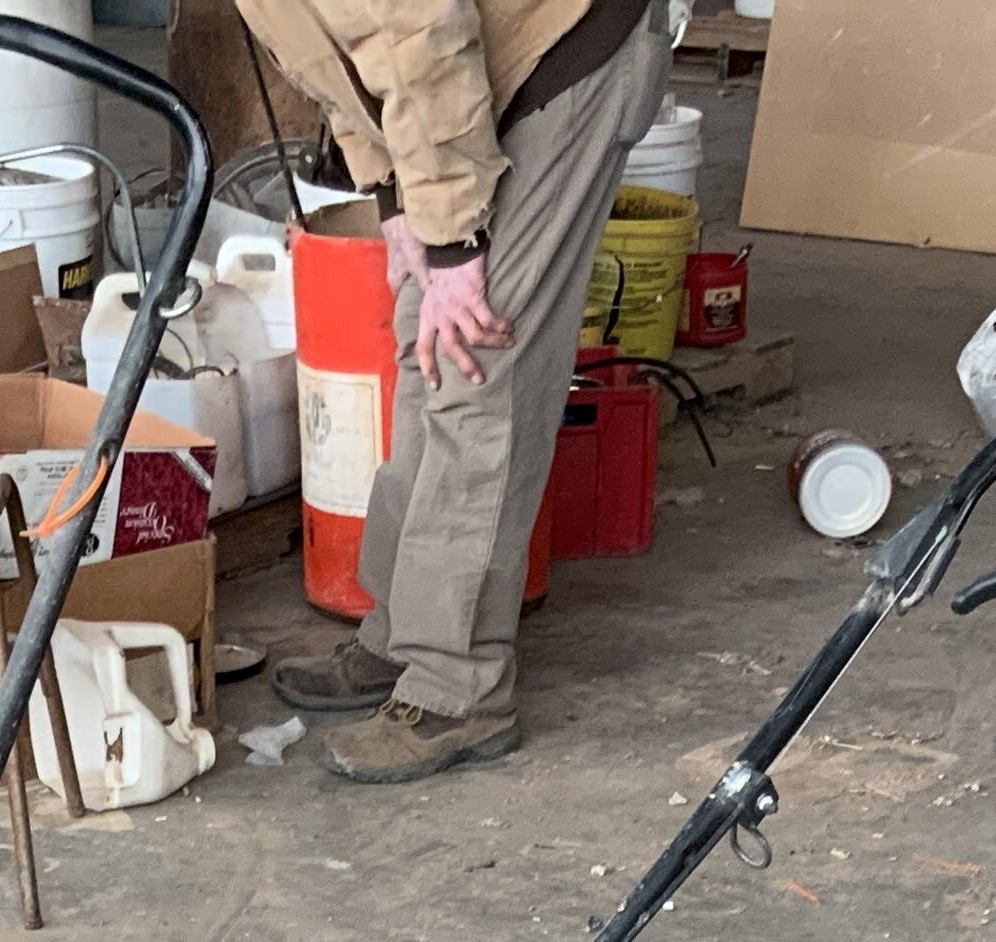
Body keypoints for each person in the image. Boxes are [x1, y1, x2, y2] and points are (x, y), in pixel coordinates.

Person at [231, 0, 679, 783]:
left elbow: (414, 31)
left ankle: (458, 686)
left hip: (562, 44)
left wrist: (455, 238)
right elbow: (341, 55)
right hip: (471, 59)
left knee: (478, 359)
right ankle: (405, 636)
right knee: (425, 342)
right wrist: (398, 199)